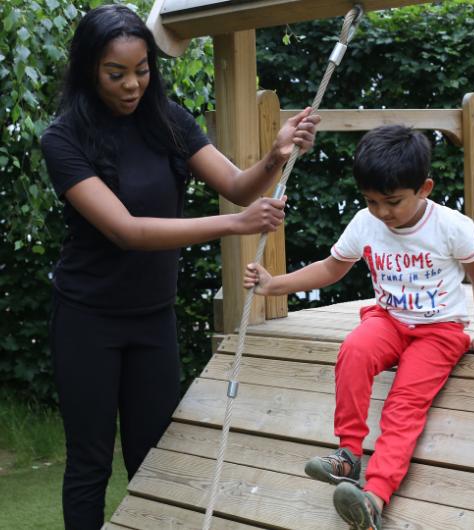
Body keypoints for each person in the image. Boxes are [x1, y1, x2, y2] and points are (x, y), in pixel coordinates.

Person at [40, 4, 319, 529]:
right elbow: (126, 230)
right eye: (115, 73)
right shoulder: (63, 139)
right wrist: (236, 226)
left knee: (154, 456)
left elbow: (237, 186)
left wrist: (275, 155)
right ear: (88, 70)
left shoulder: (169, 121)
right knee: (89, 463)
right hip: (87, 319)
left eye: (142, 70)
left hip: (153, 319)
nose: (131, 85)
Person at [244, 124, 474, 529]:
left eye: (393, 201)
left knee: (404, 406)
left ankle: (375, 497)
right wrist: (273, 285)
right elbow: (332, 268)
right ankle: (348, 455)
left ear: (425, 188)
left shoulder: (452, 226)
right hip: (388, 319)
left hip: (439, 331)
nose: (382, 212)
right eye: (371, 201)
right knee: (354, 351)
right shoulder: (366, 223)